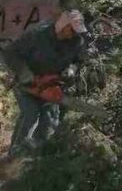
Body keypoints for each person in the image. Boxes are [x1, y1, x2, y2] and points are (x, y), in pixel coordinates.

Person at [1, 9, 89, 155]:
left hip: (53, 85)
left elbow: (78, 60)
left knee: (50, 120)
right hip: (27, 85)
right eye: (73, 30)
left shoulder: (76, 42)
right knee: (31, 115)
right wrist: (25, 74)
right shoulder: (37, 36)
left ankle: (34, 159)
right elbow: (10, 53)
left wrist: (72, 69)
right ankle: (14, 155)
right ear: (64, 26)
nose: (75, 33)